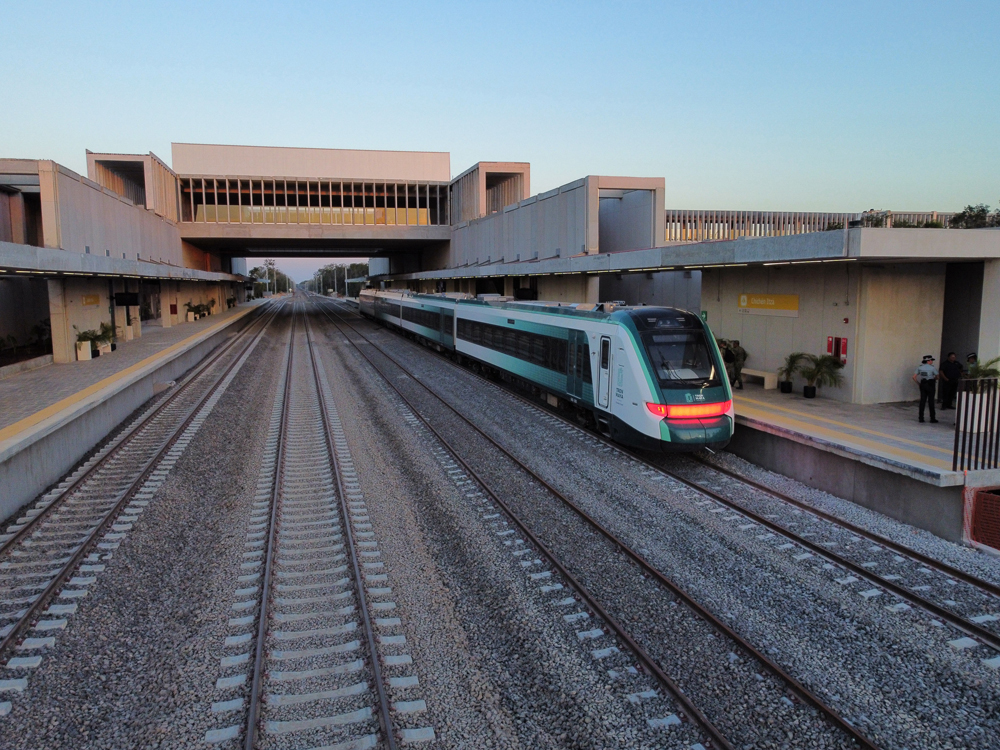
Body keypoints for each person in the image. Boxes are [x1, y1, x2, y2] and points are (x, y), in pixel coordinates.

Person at [912, 355, 939, 423]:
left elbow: (914, 377)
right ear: (928, 361)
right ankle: (932, 418)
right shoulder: (932, 368)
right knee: (931, 401)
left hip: (923, 384)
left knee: (922, 401)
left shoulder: (920, 367)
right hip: (930, 384)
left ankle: (921, 418)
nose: (932, 361)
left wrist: (919, 384)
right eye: (931, 360)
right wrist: (934, 379)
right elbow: (937, 376)